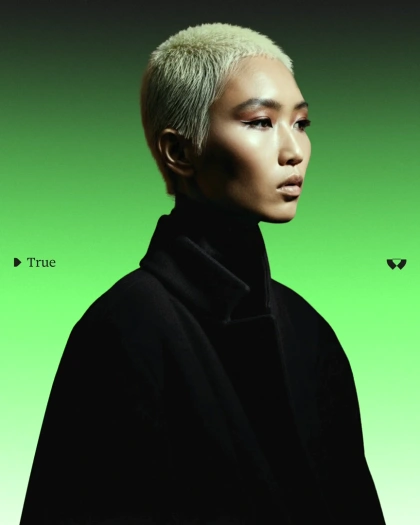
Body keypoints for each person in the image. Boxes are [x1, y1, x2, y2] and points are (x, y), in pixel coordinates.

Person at [19, 23, 387, 525]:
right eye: (261, 122)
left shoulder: (309, 330)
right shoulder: (122, 331)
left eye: (301, 123)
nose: (294, 151)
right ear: (179, 151)